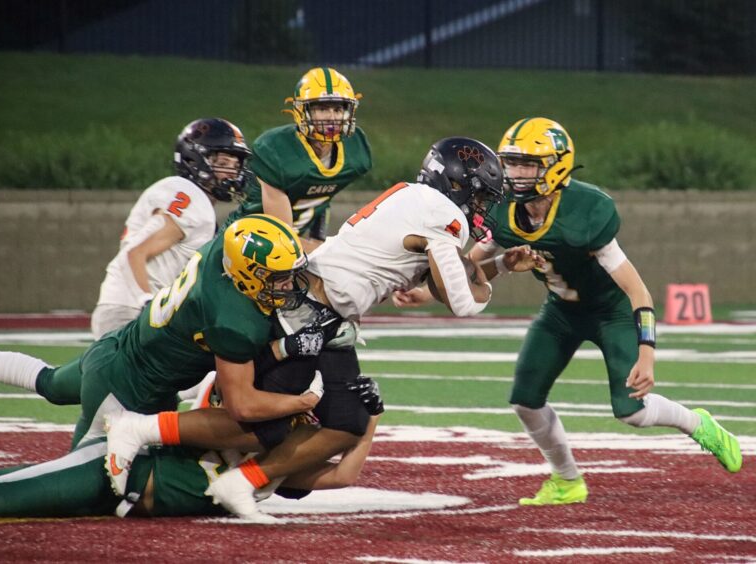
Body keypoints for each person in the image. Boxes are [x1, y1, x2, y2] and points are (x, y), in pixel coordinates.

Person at [106, 137, 538, 522]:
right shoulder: (444, 216)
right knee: (264, 424)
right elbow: (462, 302)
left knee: (347, 421)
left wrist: (497, 264)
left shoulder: (417, 200)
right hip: (307, 308)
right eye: (481, 196)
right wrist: (488, 277)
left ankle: (241, 482)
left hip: (330, 315)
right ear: (460, 185)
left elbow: (439, 285)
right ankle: (141, 429)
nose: (482, 207)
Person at [464, 116, 742, 505]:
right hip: (560, 312)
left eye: (528, 164)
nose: (515, 174)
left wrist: (647, 352)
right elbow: (471, 268)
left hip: (609, 312)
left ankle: (698, 423)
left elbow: (637, 290)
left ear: (556, 165)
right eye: (511, 163)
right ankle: (567, 480)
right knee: (525, 401)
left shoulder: (585, 210)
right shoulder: (505, 209)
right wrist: (429, 291)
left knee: (631, 411)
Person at [0, 215, 324, 469]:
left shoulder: (227, 246)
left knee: (49, 381)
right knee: (83, 478)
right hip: (129, 391)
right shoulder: (233, 320)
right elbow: (242, 406)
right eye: (278, 278)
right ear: (248, 274)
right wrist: (302, 403)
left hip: (118, 346)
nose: (287, 285)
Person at [0, 408, 381, 519]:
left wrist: (370, 420)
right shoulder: (241, 419)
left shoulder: (278, 463)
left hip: (115, 506)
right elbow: (228, 405)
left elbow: (345, 474)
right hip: (115, 473)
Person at [92, 117, 254, 338]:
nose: (231, 173)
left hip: (133, 308)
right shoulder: (189, 196)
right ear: (194, 160)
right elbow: (137, 252)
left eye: (236, 166)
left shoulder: (194, 200)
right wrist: (147, 304)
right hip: (130, 311)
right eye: (223, 163)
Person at [223, 67, 372, 251]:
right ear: (302, 110)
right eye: (323, 109)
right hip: (247, 244)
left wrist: (318, 238)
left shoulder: (355, 151)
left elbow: (323, 192)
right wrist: (328, 250)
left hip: (293, 246)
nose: (332, 117)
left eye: (338, 109)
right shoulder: (276, 148)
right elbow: (281, 239)